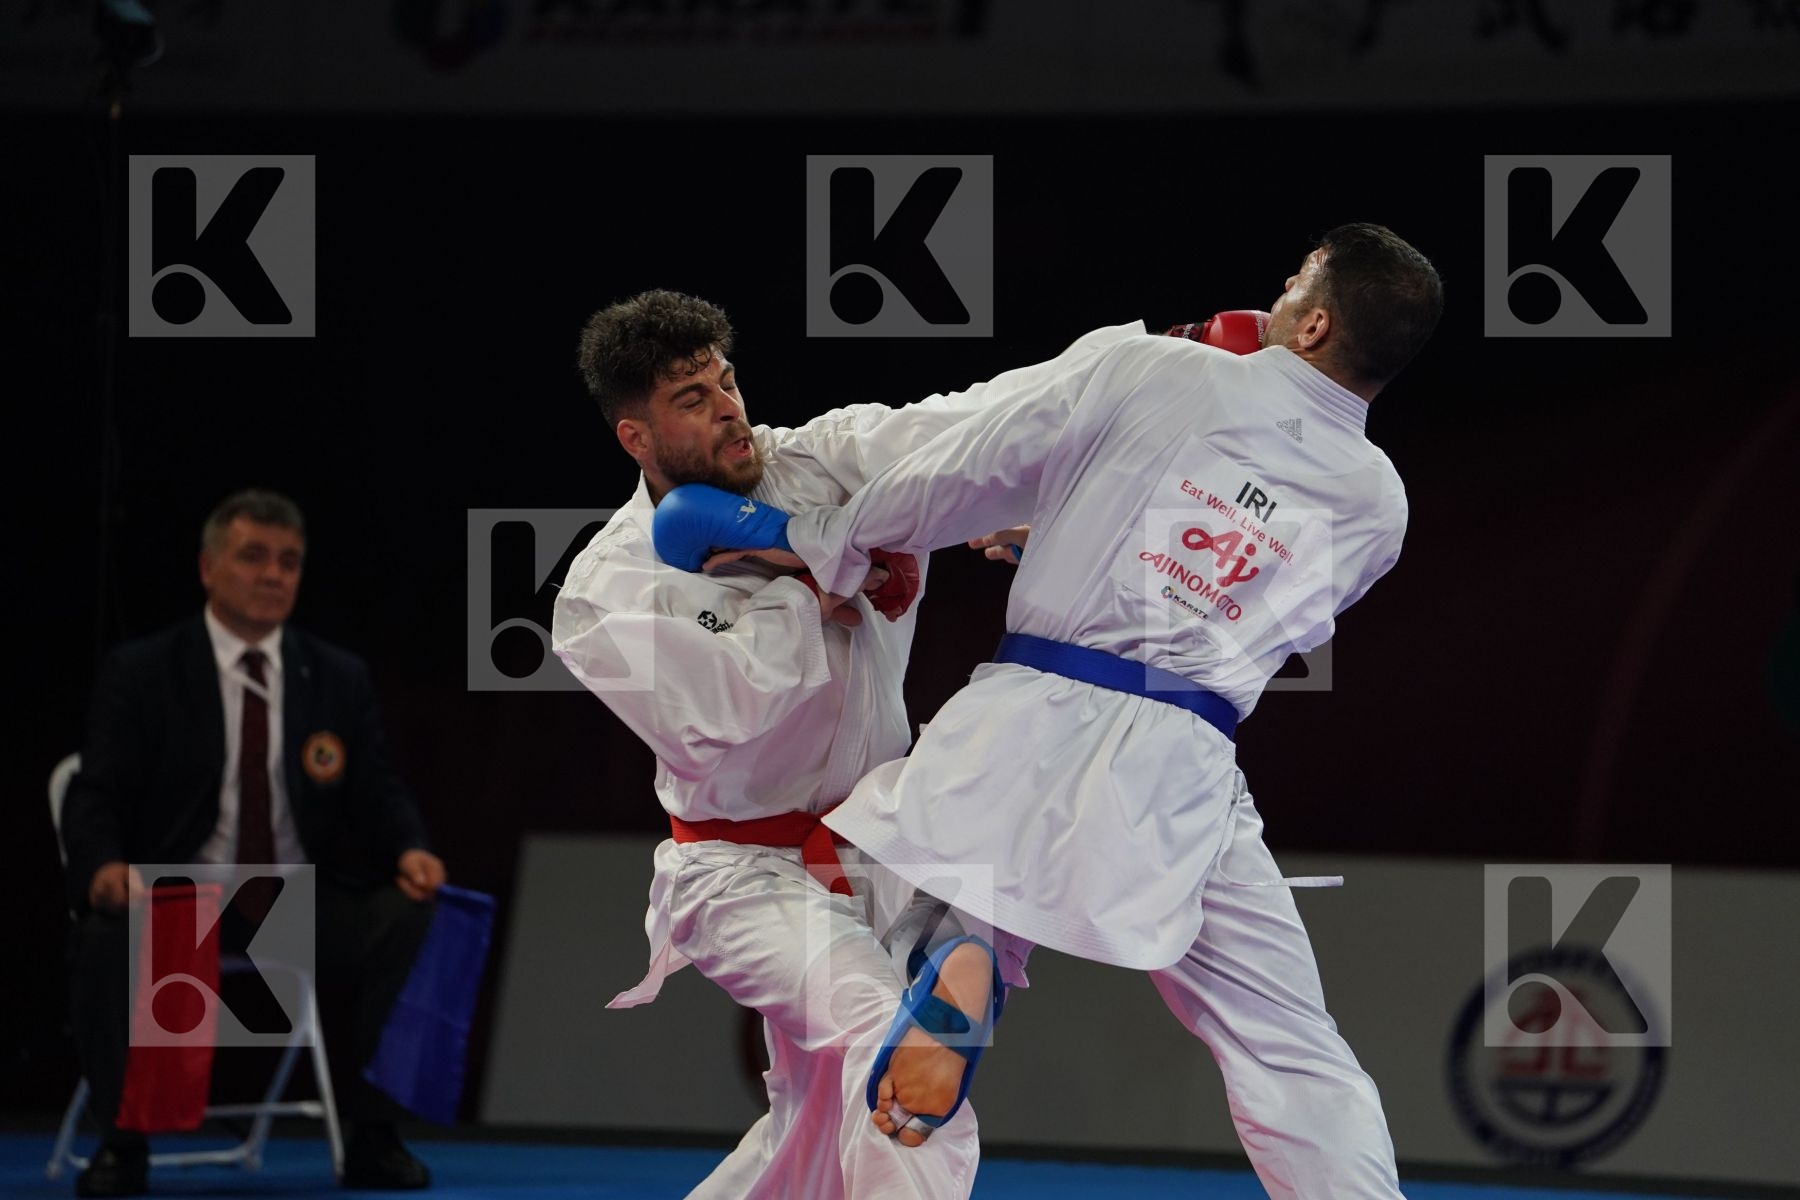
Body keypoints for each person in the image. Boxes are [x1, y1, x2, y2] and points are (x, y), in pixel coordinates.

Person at [708, 224, 1444, 1197]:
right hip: (1184, 766)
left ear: (1313, 326)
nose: (1280, 283)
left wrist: (825, 538)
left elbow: (965, 466)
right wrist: (1077, 534)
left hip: (1030, 712)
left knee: (910, 914)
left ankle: (961, 950)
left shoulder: (1159, 367)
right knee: (1288, 1043)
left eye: (1300, 278)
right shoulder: (1380, 506)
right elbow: (1246, 604)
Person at [549, 289, 1148, 1198]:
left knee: (812, 1128)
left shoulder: (820, 466)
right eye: (692, 400)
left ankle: (969, 945)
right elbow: (720, 715)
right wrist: (815, 576)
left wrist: (1148, 359)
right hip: (741, 872)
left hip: (881, 841)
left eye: (727, 382)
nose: (728, 410)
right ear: (636, 436)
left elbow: (969, 422)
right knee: (896, 1045)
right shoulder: (608, 588)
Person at [60, 489, 446, 1196]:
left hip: (291, 904)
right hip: (178, 902)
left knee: (409, 915)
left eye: (289, 562)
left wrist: (408, 848)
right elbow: (96, 793)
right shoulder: (144, 671)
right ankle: (121, 1143)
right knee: (105, 934)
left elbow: (377, 789)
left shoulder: (335, 675)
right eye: (253, 557)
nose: (273, 575)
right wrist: (103, 868)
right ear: (208, 568)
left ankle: (374, 1136)